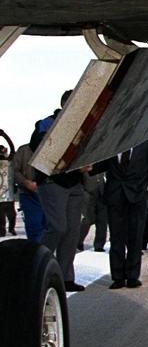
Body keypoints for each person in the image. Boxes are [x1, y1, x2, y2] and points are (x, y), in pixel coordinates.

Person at [32, 93, 88, 291]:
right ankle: (38, 269)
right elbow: (38, 147)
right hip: (53, 181)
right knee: (58, 227)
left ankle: (66, 278)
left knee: (72, 231)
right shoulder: (46, 123)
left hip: (75, 183)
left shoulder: (85, 124)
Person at [97, 137, 148, 288]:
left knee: (136, 235)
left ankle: (132, 275)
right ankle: (117, 276)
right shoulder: (113, 135)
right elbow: (103, 161)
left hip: (138, 193)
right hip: (115, 194)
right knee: (116, 236)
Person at [79, 170, 109, 252]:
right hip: (88, 192)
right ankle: (79, 241)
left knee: (102, 221)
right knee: (87, 220)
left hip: (102, 192)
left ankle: (99, 245)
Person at [0, 131, 16, 236]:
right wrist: (4, 135)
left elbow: (12, 148)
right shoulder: (8, 160)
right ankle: (5, 230)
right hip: (4, 194)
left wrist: (4, 135)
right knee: (3, 216)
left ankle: (9, 229)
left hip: (8, 193)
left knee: (11, 215)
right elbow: (12, 148)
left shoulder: (8, 160)